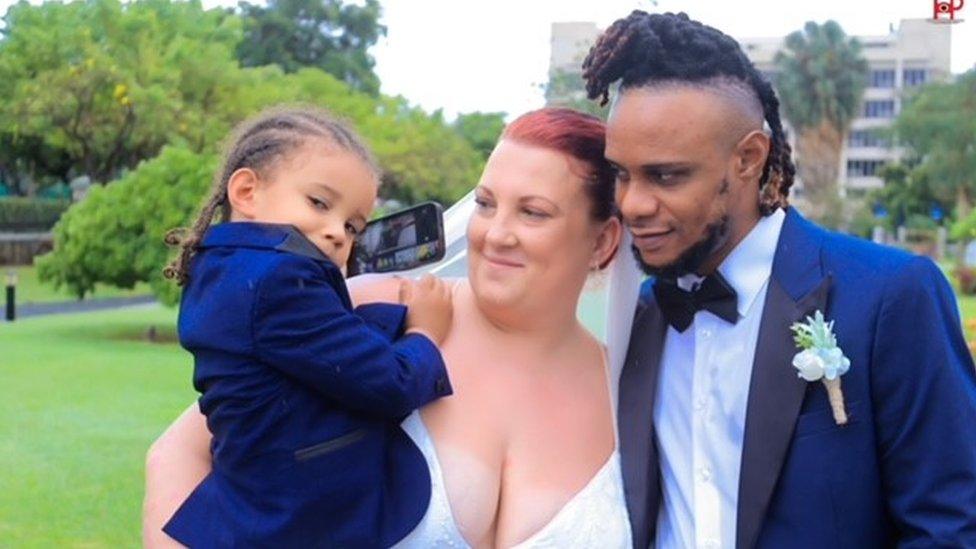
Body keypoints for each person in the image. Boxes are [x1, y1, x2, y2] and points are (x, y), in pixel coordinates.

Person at [144, 107, 631, 548]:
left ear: (603, 241)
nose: (494, 233)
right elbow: (176, 456)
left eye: (532, 212)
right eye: (485, 204)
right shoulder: (371, 308)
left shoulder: (631, 388)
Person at [583, 11, 976, 548]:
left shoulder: (890, 296)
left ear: (749, 158)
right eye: (622, 174)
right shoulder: (636, 317)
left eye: (666, 175)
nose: (632, 204)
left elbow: (950, 527)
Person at [157, 106, 455, 548]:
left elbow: (315, 355)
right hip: (298, 522)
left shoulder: (223, 270)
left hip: (251, 507)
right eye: (319, 203)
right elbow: (391, 384)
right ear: (246, 191)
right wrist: (425, 331)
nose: (338, 233)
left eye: (354, 226)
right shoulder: (278, 282)